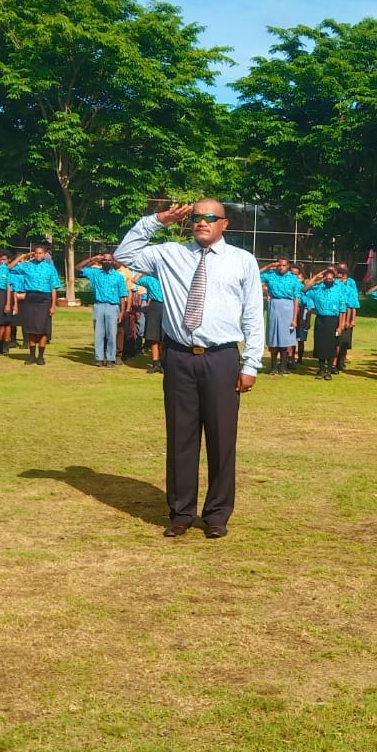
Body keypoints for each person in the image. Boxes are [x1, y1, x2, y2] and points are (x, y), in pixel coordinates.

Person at [113, 198, 263, 539]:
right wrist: (157, 220)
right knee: (181, 436)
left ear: (225, 223)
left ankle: (217, 514)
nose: (202, 222)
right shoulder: (168, 254)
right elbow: (123, 255)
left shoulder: (242, 261)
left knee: (222, 439)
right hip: (179, 356)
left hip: (222, 357)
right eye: (196, 217)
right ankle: (181, 511)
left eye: (210, 217)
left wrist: (251, 362)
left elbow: (254, 314)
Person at [11, 243, 63, 365]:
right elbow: (10, 267)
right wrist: (22, 256)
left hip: (44, 299)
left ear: (45, 254)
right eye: (36, 253)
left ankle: (41, 356)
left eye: (40, 253)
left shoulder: (50, 268)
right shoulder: (27, 266)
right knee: (31, 328)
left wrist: (53, 305)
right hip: (30, 298)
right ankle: (32, 355)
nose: (38, 255)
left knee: (42, 328)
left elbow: (54, 287)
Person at [80, 252, 130, 367]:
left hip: (113, 307)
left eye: (109, 260)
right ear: (102, 261)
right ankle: (99, 358)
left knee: (112, 333)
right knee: (99, 333)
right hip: (99, 305)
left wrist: (122, 311)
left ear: (113, 262)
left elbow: (122, 295)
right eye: (105, 260)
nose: (107, 262)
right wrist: (93, 258)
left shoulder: (119, 276)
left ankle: (111, 358)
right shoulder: (95, 273)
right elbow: (79, 267)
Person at [301, 266, 350, 380]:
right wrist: (316, 278)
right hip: (321, 319)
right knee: (320, 346)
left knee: (331, 346)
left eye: (331, 279)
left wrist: (340, 325)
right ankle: (321, 369)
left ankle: (329, 370)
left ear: (334, 279)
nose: (329, 280)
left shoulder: (338, 290)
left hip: (333, 320)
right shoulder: (318, 289)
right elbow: (304, 290)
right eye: (326, 278)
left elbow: (342, 309)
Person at [260, 256, 303, 375]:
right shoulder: (271, 275)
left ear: (288, 266)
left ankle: (283, 366)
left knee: (285, 338)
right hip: (274, 305)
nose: (282, 268)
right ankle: (273, 366)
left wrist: (294, 318)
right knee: (274, 337)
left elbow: (296, 299)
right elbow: (255, 276)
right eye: (279, 265)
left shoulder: (293, 279)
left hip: (288, 306)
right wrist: (268, 266)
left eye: (284, 265)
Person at [135, 270, 165, 373]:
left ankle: (163, 362)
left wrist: (142, 271)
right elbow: (134, 281)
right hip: (155, 306)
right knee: (154, 336)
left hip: (166, 306)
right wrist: (143, 271)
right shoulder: (150, 279)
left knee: (164, 337)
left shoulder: (167, 278)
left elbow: (135, 279)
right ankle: (155, 362)